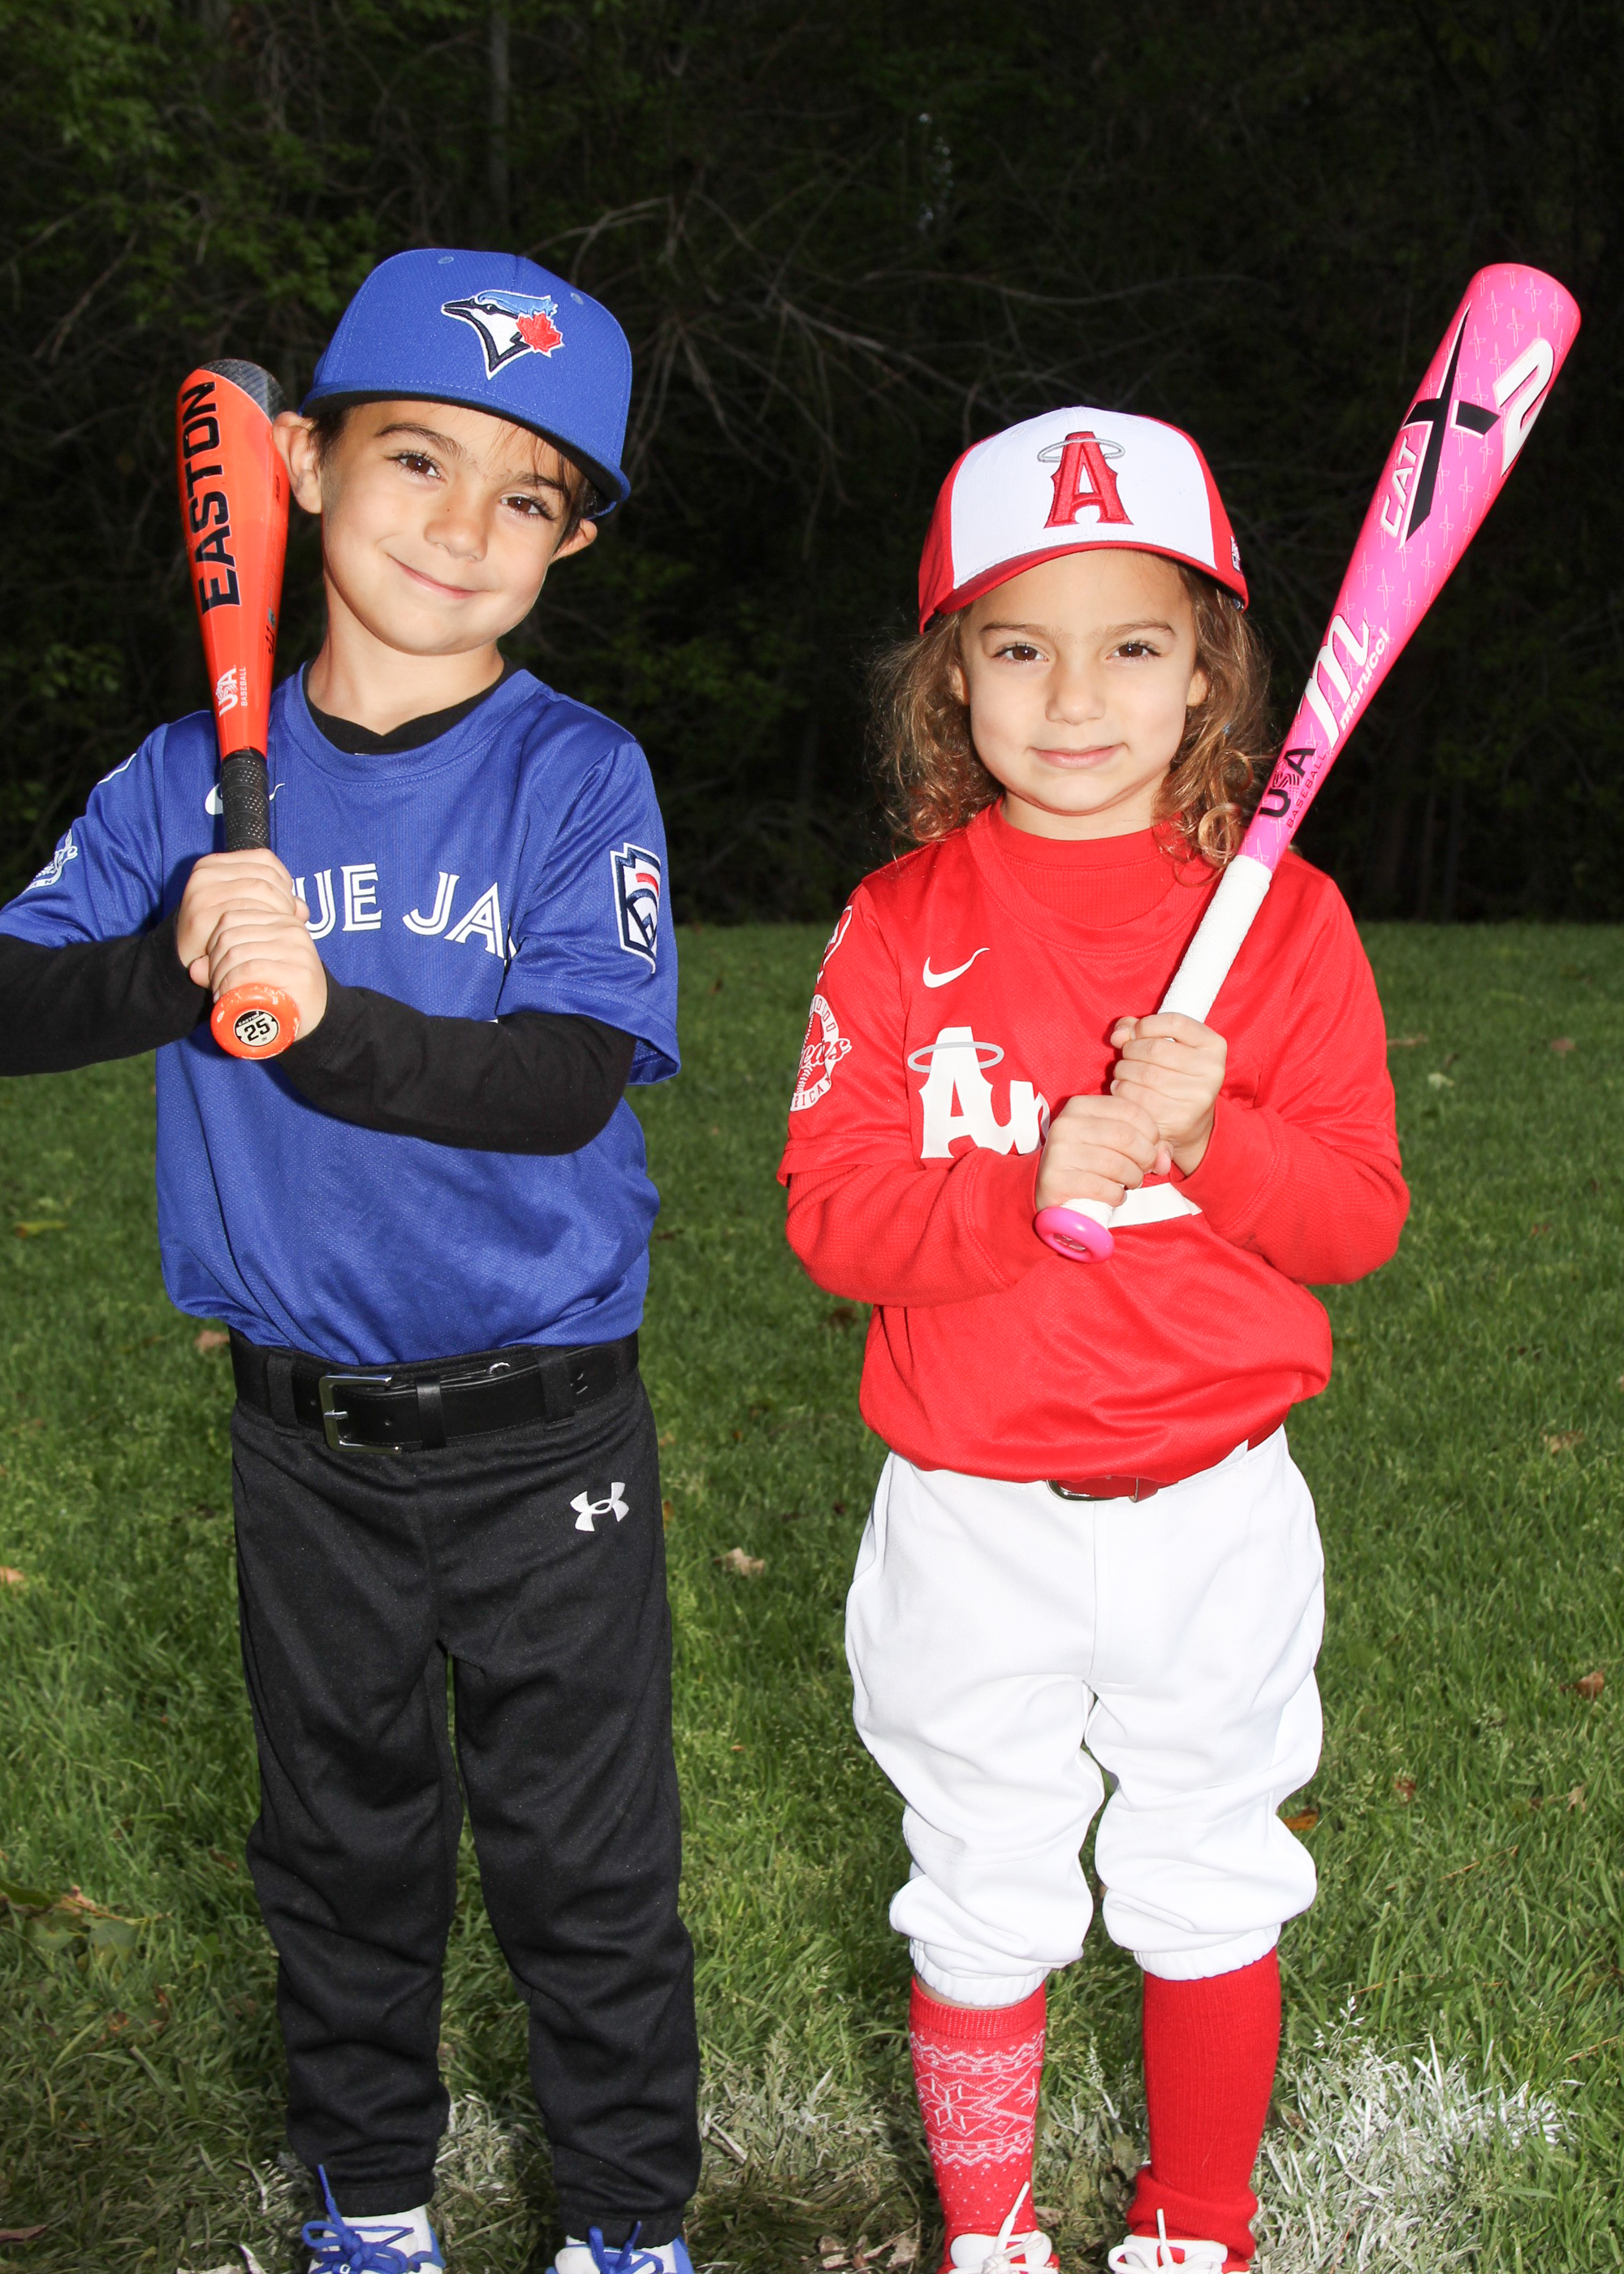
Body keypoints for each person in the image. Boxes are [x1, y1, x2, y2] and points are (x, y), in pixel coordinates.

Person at [0, 249, 698, 2274]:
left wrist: (322, 1022)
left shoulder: (575, 773)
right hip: (301, 1435)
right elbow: (15, 997)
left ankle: (627, 2221)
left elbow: (564, 1077)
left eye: (528, 496)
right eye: (416, 458)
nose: (465, 526)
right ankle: (370, 2203)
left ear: (569, 544)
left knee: (582, 1853)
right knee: (339, 1839)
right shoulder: (180, 782)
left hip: (545, 1420)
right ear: (298, 467)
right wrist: (171, 964)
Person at [778, 407, 1408, 2274]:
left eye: (1132, 643)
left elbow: (1355, 1219)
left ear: (1207, 670)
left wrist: (1216, 1133)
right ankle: (987, 2234)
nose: (1073, 696)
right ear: (948, 679)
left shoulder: (1284, 925)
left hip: (1216, 1503)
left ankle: (1197, 2226)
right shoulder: (899, 923)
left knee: (1207, 1866)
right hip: (969, 1509)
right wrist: (1013, 1187)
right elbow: (831, 1215)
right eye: (1017, 645)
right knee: (979, 1875)